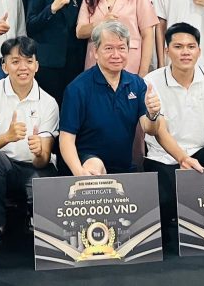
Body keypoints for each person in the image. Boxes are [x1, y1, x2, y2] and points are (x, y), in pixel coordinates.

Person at [143, 23, 204, 226]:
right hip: (164, 158)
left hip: (198, 155)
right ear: (167, 51)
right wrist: (182, 158)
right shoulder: (152, 80)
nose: (185, 52)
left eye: (191, 46)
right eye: (178, 47)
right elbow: (159, 130)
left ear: (199, 51)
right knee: (166, 212)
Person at [0, 37, 60, 247]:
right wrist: (8, 136)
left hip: (34, 168)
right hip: (4, 165)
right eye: (15, 61)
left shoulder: (49, 102)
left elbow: (43, 160)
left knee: (45, 174)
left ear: (36, 65)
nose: (23, 67)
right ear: (4, 66)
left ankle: (33, 219)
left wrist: (39, 152)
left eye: (29, 61)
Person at [59, 22, 163, 176]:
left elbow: (149, 129)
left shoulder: (137, 84)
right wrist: (79, 172)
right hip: (86, 165)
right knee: (95, 165)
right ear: (95, 51)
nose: (116, 55)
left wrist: (153, 114)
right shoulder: (77, 88)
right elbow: (66, 139)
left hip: (124, 168)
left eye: (121, 48)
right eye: (109, 48)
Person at [25, 0, 86, 105]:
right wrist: (53, 8)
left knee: (72, 107)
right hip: (48, 63)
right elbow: (31, 26)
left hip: (75, 63)